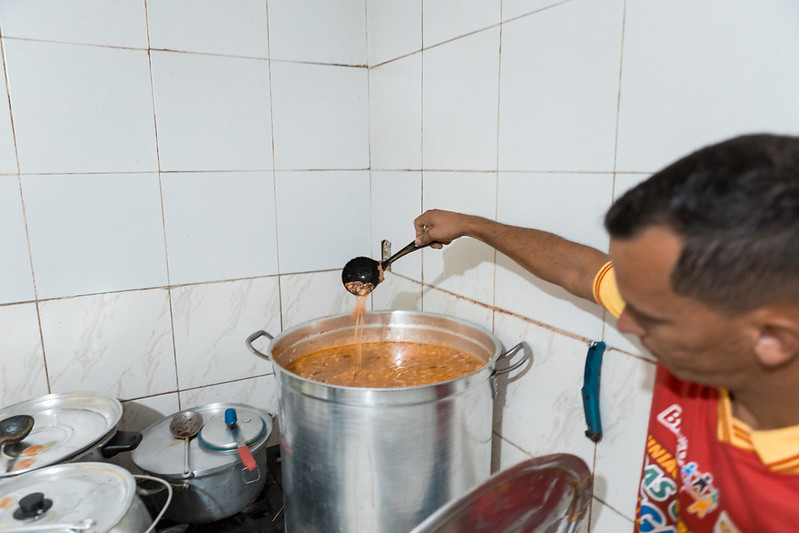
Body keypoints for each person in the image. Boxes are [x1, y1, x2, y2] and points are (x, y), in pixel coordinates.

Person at [413, 134, 799, 532]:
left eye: (649, 315)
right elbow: (578, 270)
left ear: (773, 340)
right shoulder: (715, 333)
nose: (627, 323)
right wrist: (468, 225)